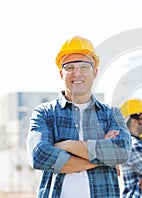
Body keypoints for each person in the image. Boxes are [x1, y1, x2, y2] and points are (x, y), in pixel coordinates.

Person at [26, 35, 132, 198]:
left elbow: (122, 152)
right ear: (61, 74)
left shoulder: (112, 114)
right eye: (69, 67)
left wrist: (66, 145)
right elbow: (39, 155)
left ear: (95, 72)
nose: (77, 73)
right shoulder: (45, 113)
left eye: (84, 66)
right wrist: (102, 156)